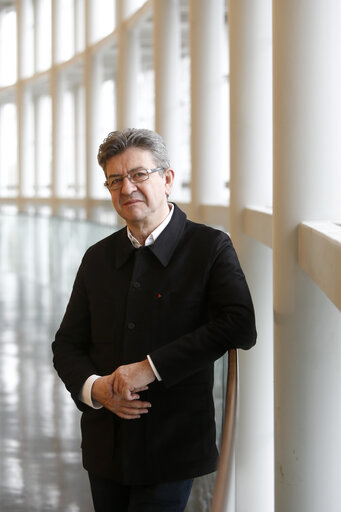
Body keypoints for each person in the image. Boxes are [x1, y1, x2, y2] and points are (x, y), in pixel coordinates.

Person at [52, 128, 257, 512]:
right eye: (115, 180)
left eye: (139, 175)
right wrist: (95, 389)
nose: (127, 188)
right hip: (105, 446)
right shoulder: (97, 258)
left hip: (172, 445)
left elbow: (240, 324)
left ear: (167, 179)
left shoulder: (209, 247)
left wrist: (149, 369)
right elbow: (66, 344)